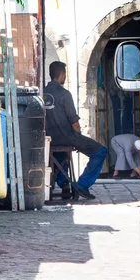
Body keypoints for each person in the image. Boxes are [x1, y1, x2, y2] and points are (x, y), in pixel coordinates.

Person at [44, 60, 107, 200]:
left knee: (58, 154)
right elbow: (74, 122)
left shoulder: (42, 93)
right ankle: (82, 185)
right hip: (67, 137)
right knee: (101, 151)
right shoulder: (64, 94)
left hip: (48, 140)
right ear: (61, 74)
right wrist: (78, 136)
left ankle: (64, 183)